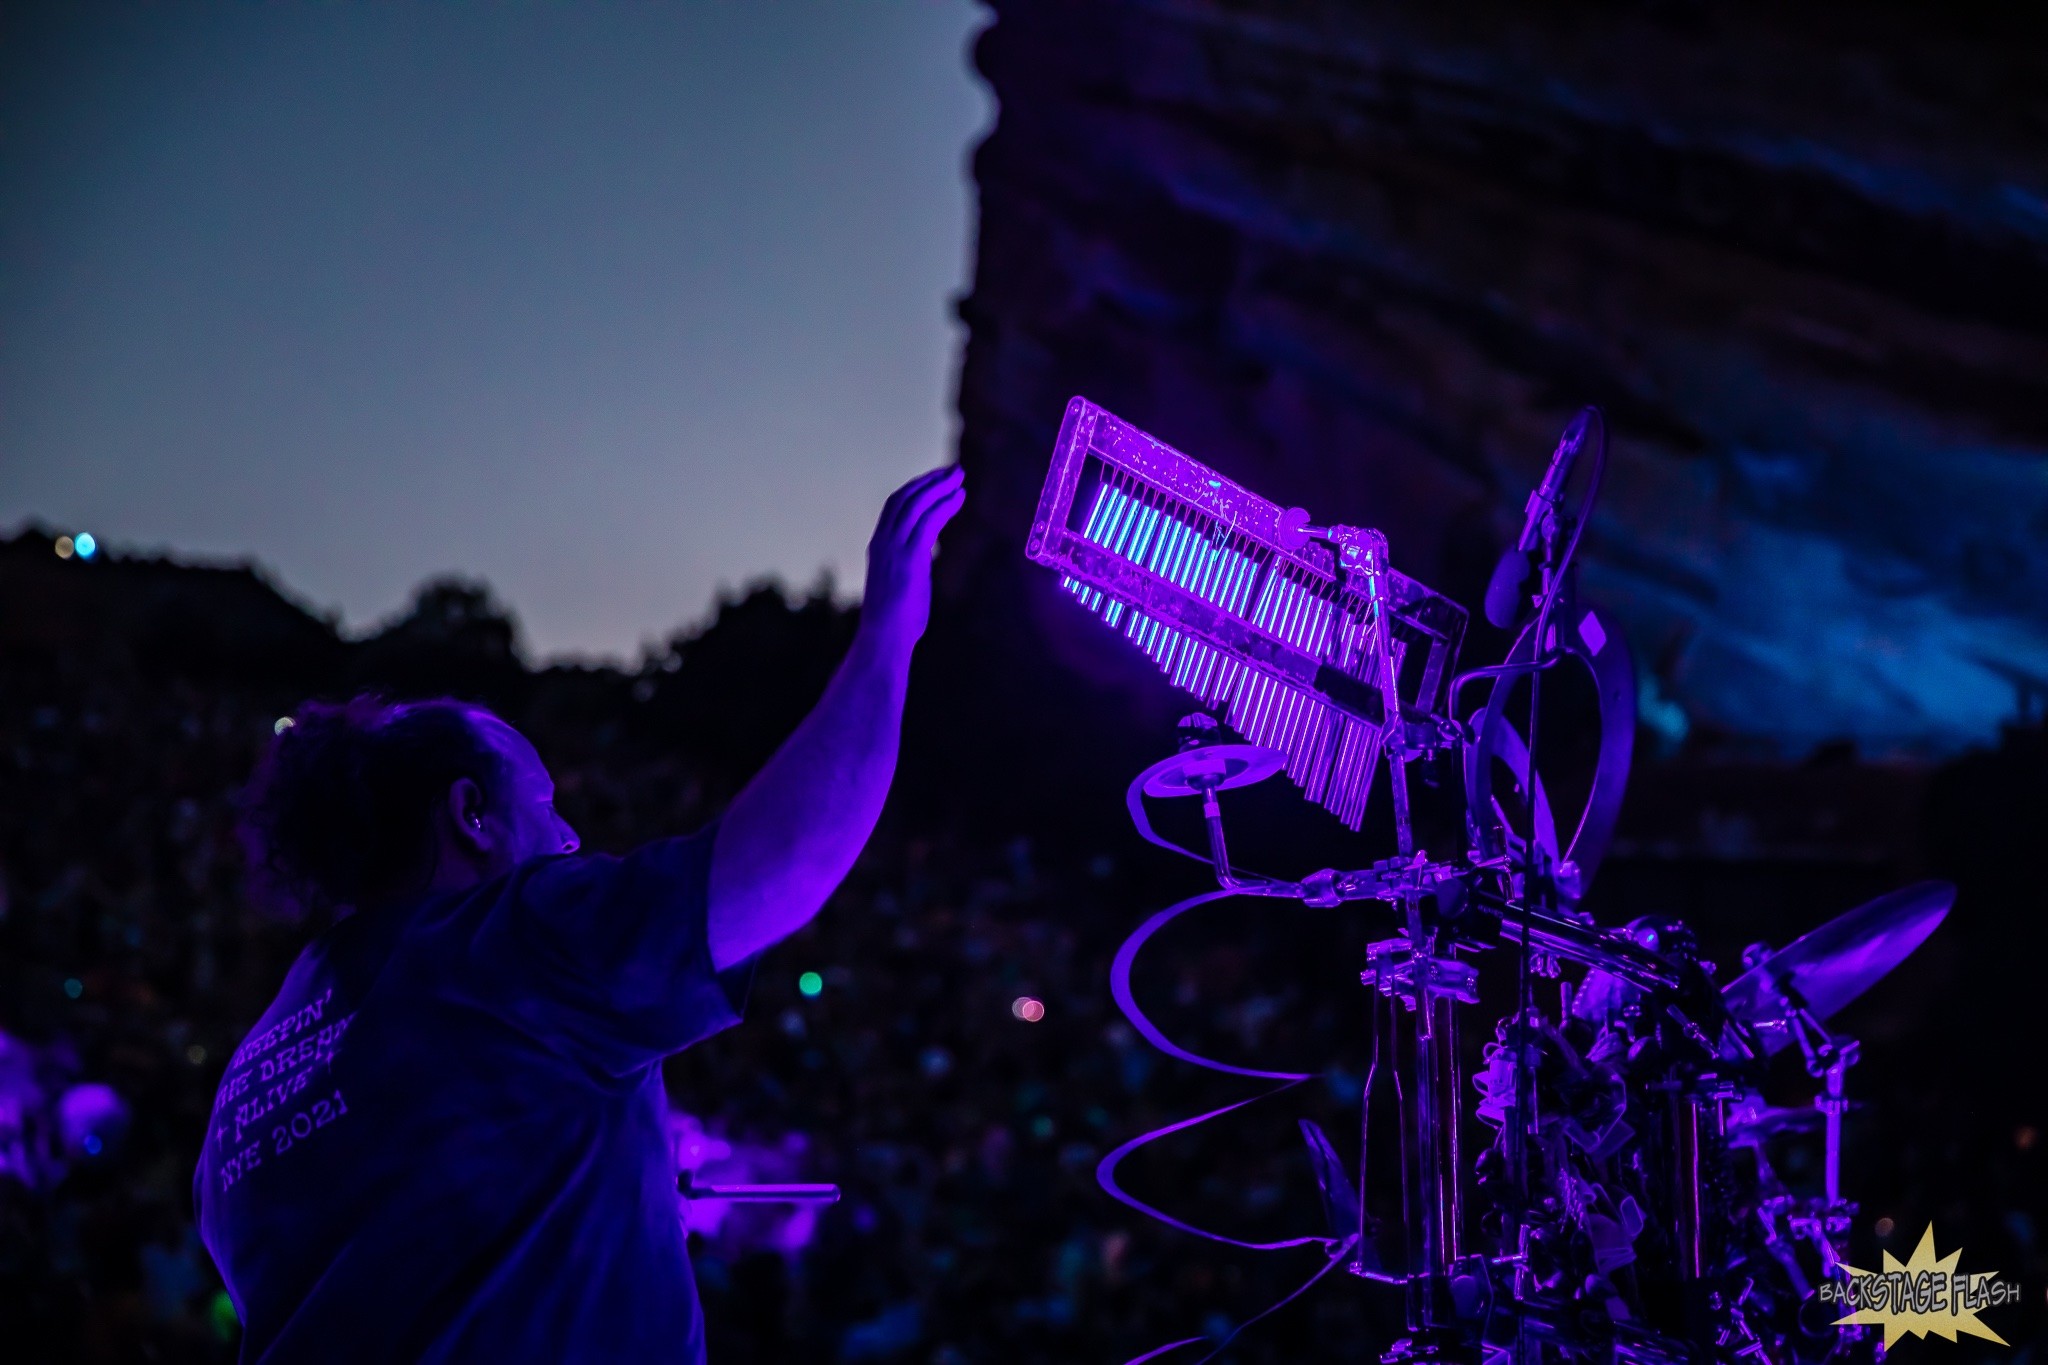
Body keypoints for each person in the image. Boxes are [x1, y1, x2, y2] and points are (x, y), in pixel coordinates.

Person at [193, 467, 967, 1363]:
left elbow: (418, 1255)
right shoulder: (501, 943)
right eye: (544, 802)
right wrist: (888, 631)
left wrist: (614, 1196)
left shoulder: (246, 1086)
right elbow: (786, 859)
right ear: (472, 814)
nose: (569, 836)